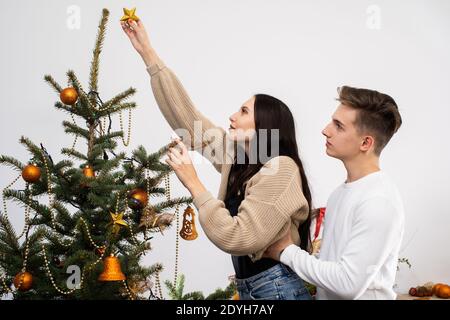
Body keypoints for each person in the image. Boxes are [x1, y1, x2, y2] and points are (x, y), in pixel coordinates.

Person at [121, 18, 313, 300]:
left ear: (265, 125)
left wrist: (193, 182)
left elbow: (239, 237)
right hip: (251, 289)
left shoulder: (281, 169)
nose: (232, 117)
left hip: (276, 289)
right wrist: (148, 54)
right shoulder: (239, 159)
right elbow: (188, 122)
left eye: (244, 111)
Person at [264, 86, 405, 300]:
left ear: (365, 142)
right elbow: (332, 264)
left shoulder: (379, 201)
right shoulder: (339, 193)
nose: (326, 130)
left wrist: (287, 251)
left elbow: (348, 283)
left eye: (338, 126)